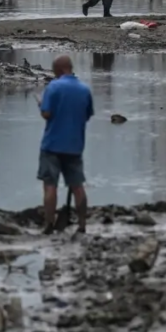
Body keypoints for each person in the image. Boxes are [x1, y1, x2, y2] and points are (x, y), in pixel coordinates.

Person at [36, 55, 94, 234]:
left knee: (50, 185)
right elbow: (87, 115)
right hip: (75, 145)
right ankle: (82, 224)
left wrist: (40, 106)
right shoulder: (84, 89)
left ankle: (49, 224)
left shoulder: (53, 87)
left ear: (59, 70)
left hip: (52, 145)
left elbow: (46, 114)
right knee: (77, 186)